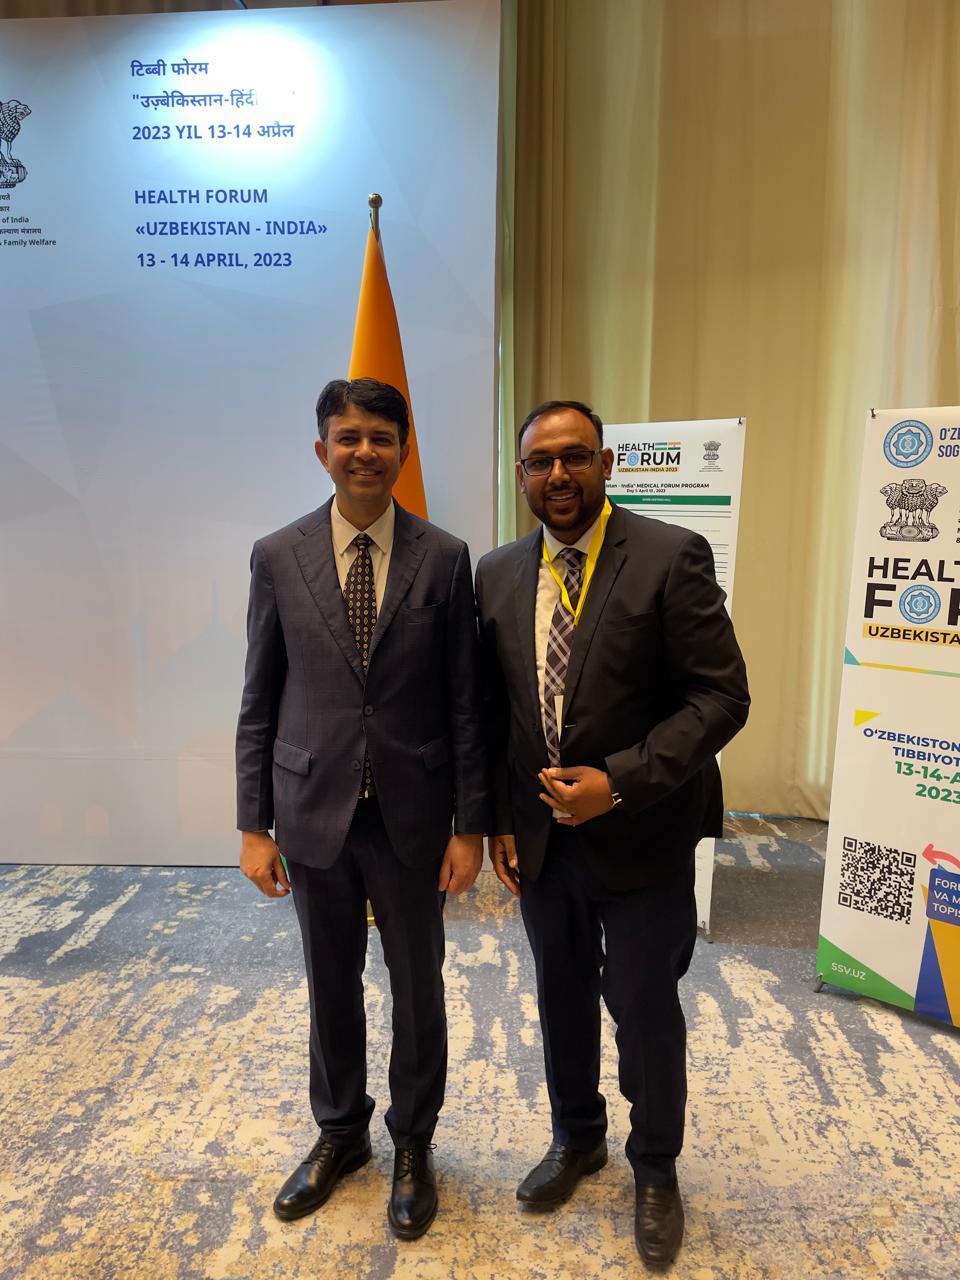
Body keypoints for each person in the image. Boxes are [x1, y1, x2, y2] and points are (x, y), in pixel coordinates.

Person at [475, 399, 749, 1269]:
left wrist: (618, 782)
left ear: (605, 464)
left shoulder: (670, 556)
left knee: (642, 1006)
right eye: (541, 462)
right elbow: (494, 712)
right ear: (521, 475)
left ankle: (656, 1167)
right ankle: (577, 1137)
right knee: (560, 994)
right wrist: (500, 820)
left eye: (575, 456)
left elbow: (721, 696)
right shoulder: (497, 572)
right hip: (541, 841)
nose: (558, 474)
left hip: (643, 834)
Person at [236, 377, 487, 1240]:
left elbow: (465, 704)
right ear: (322, 451)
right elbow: (259, 698)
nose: (365, 452)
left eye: (382, 438)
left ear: (403, 451)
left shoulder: (445, 557)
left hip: (412, 817)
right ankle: (340, 1133)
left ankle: (413, 1143)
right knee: (329, 981)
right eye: (348, 438)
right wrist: (253, 825)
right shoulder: (278, 554)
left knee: (418, 987)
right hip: (312, 813)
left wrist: (469, 826)